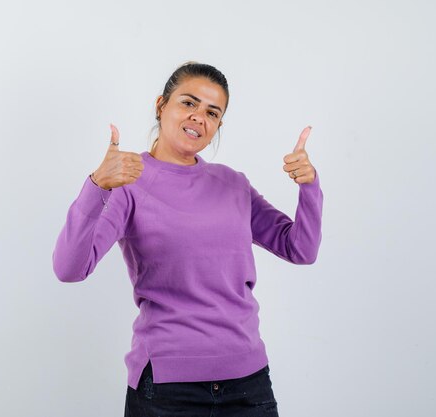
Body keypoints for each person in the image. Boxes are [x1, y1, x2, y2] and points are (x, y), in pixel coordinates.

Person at [52, 62, 323, 417]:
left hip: (248, 383)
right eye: (188, 103)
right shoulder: (128, 181)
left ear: (218, 126)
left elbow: (299, 248)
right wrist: (97, 185)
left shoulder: (233, 184)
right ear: (161, 105)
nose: (199, 117)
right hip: (167, 389)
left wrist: (309, 185)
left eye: (212, 112)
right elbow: (70, 268)